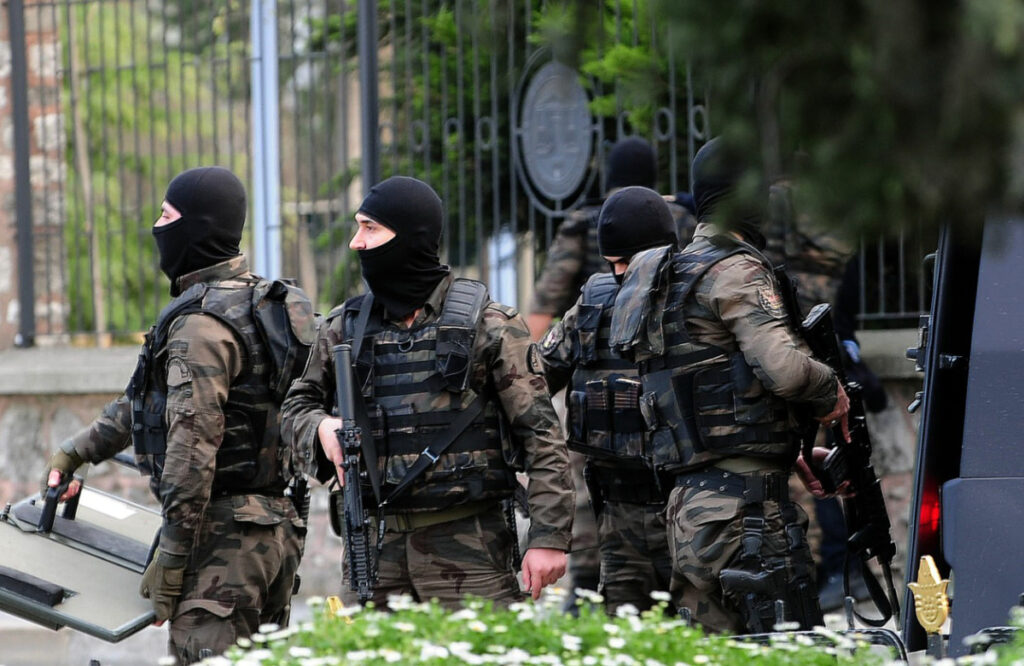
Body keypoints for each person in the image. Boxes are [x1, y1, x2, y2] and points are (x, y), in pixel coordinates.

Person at [40, 167, 311, 664]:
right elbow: (148, 402)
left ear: (198, 228)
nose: (157, 227)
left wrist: (173, 555)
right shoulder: (268, 303)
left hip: (221, 546)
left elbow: (192, 450)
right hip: (275, 532)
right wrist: (76, 451)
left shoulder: (201, 325)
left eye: (167, 216)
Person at [280, 176, 573, 609]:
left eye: (370, 228)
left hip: (470, 550)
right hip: (373, 551)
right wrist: (321, 427)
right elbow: (294, 407)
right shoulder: (345, 327)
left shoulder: (489, 325)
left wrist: (549, 537)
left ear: (411, 236)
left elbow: (542, 435)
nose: (356, 243)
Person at [608, 138, 849, 634]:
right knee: (782, 649)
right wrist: (832, 392)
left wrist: (786, 448)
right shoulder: (735, 267)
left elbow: (703, 389)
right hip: (748, 515)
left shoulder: (669, 273)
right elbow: (784, 369)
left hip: (689, 509)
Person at [527, 137, 695, 606]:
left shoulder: (586, 223)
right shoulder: (685, 223)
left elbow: (542, 311)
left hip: (609, 394)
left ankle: (584, 586)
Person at [527, 136, 695, 341]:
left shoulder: (584, 221)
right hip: (667, 336)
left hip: (597, 337)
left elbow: (549, 293)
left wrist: (529, 351)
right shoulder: (681, 217)